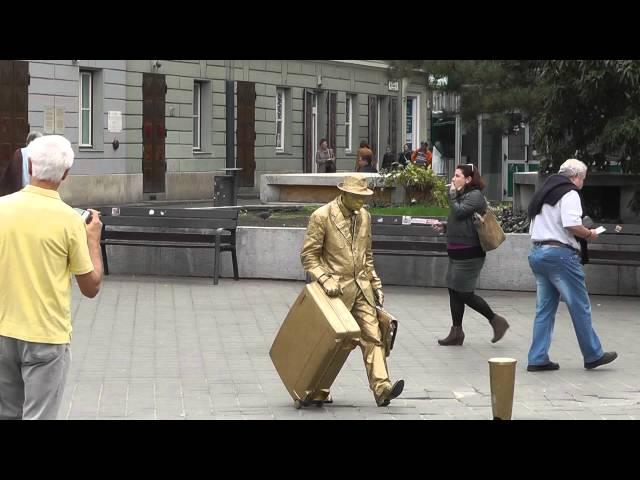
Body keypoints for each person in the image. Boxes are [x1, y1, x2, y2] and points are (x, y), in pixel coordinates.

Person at [0, 135, 104, 420]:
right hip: (45, 335)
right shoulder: (69, 220)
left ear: (30, 166)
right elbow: (91, 286)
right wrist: (93, 241)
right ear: (66, 174)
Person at [301, 174, 404, 407]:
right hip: (334, 292)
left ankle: (382, 387)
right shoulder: (322, 216)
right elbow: (309, 257)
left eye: (364, 197)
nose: (361, 202)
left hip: (362, 289)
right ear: (344, 194)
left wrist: (375, 284)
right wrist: (325, 278)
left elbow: (367, 257)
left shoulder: (365, 216)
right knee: (328, 344)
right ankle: (314, 388)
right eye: (357, 197)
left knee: (374, 336)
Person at [526, 158, 618, 371]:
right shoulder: (569, 193)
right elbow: (571, 224)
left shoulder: (543, 193)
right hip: (560, 255)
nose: (582, 184)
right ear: (575, 177)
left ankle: (537, 358)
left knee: (544, 309)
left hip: (538, 253)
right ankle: (593, 354)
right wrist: (590, 234)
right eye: (583, 179)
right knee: (580, 305)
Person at [433, 164, 509, 346]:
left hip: (470, 253)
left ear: (468, 179)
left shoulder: (475, 196)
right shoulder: (462, 196)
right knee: (454, 290)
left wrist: (452, 195)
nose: (453, 179)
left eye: (457, 176)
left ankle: (496, 321)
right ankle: (456, 332)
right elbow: (462, 220)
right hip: (456, 251)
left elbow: (459, 212)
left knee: (465, 293)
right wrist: (445, 226)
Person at [0, 131, 42, 197]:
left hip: (20, 193)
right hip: (37, 194)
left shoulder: (19, 153)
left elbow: (9, 174)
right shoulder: (43, 155)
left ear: (27, 142)